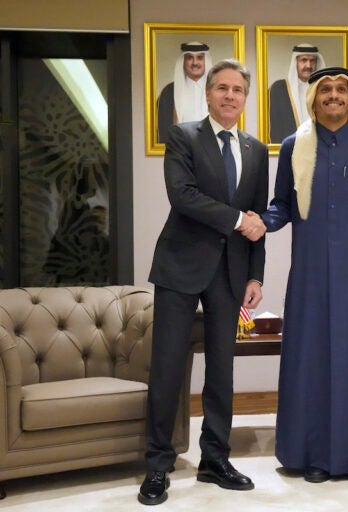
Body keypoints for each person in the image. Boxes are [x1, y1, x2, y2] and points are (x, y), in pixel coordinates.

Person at [261, 67, 348, 486]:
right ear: (314, 100)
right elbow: (280, 205)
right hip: (311, 277)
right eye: (326, 91)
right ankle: (314, 456)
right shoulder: (293, 147)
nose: (334, 96)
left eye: (341, 90)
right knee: (313, 362)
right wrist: (256, 222)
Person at [140, 59, 269, 506]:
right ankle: (158, 465)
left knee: (222, 370)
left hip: (231, 273)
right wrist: (238, 220)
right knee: (169, 368)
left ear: (244, 98)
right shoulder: (183, 135)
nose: (230, 95)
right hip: (180, 267)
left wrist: (256, 273)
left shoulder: (255, 149)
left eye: (238, 89)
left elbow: (257, 217)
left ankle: (215, 458)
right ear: (208, 94)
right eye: (222, 88)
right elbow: (184, 196)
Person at [268, 44, 325, 143]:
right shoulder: (279, 89)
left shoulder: (325, 90)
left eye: (313, 61)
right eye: (304, 60)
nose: (308, 65)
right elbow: (275, 127)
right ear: (295, 63)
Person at [156, 42, 212, 143]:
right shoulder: (169, 92)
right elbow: (164, 131)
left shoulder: (216, 90)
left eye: (199, 57)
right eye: (190, 58)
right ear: (183, 61)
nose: (195, 63)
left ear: (206, 61)